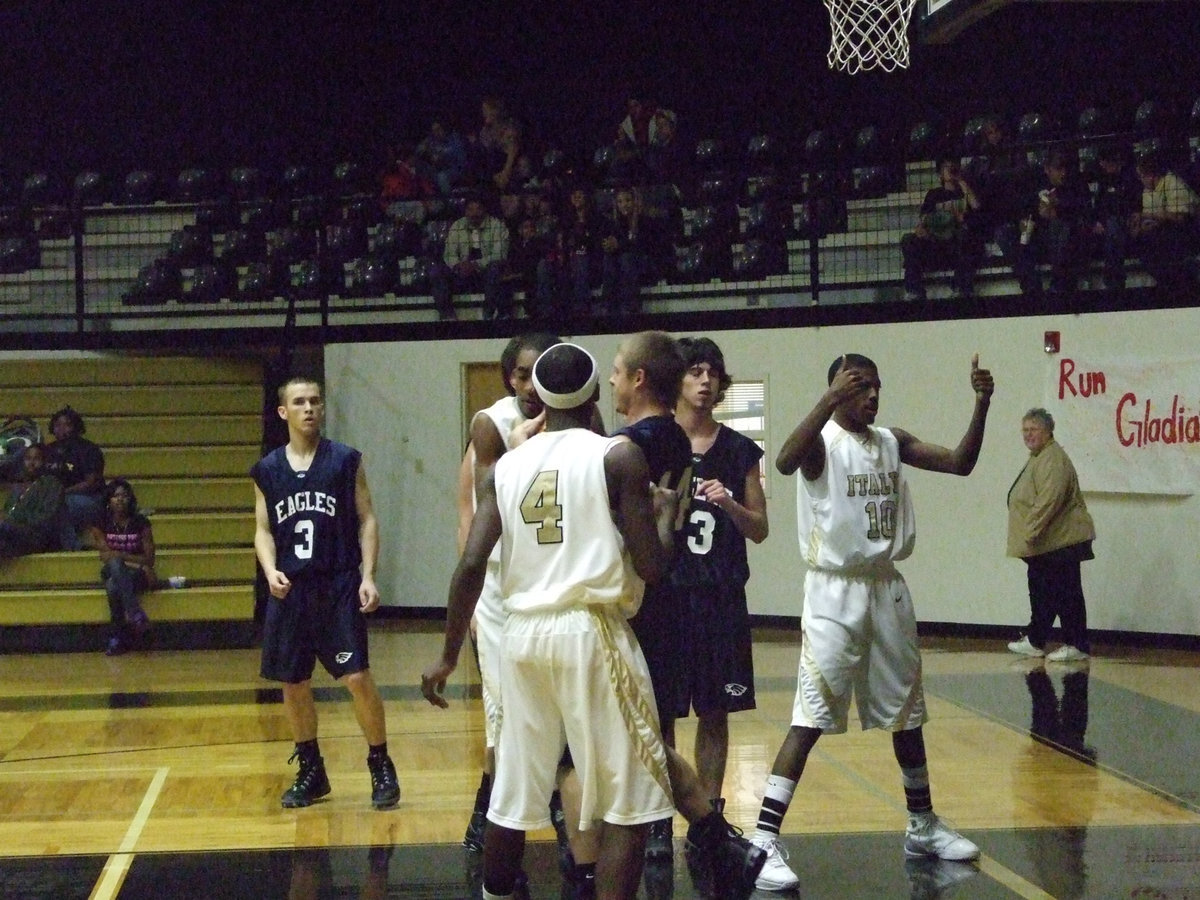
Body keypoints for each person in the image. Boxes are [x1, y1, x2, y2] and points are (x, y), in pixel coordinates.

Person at [423, 343, 763, 900]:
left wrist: (447, 654)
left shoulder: (505, 466)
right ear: (593, 393)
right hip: (591, 630)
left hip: (520, 635)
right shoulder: (616, 457)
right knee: (629, 803)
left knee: (510, 796)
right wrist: (665, 518)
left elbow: (470, 566)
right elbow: (651, 567)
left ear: (539, 394)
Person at [748, 352, 994, 892]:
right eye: (859, 387)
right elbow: (784, 461)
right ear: (837, 390)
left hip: (886, 586)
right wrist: (828, 399)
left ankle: (922, 824)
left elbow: (960, 462)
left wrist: (981, 403)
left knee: (908, 713)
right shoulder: (821, 444)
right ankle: (762, 839)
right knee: (811, 715)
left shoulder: (891, 440)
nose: (872, 396)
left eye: (875, 386)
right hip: (834, 591)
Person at [251, 376, 400, 811]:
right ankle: (312, 770)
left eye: (315, 401)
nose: (309, 408)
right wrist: (269, 570)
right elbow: (262, 529)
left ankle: (380, 763)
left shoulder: (345, 461)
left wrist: (368, 576)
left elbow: (367, 519)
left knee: (356, 677)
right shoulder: (267, 470)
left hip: (336, 584)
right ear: (284, 412)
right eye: (299, 402)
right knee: (294, 682)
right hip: (291, 591)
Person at [455, 332, 565, 855]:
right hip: (502, 585)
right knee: (503, 711)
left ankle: (565, 815)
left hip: (556, 580)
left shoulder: (578, 417)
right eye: (522, 375)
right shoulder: (491, 423)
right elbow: (482, 505)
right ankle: (489, 808)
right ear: (509, 378)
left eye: (540, 374)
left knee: (557, 708)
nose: (531, 385)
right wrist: (473, 602)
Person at [673, 337, 769, 804]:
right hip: (668, 597)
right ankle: (659, 817)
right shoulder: (652, 444)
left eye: (712, 372)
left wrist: (730, 503)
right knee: (661, 712)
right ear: (677, 380)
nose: (705, 381)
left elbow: (760, 529)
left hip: (721, 596)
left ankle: (710, 813)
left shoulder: (739, 450)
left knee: (715, 710)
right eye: (695, 371)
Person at [1006, 408, 1096, 663]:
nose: (1028, 435)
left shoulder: (1052, 460)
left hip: (1060, 542)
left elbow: (1049, 501)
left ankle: (1075, 643)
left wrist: (1030, 533)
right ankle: (1036, 640)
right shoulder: (1041, 457)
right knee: (1042, 591)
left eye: (1033, 429)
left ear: (1048, 431)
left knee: (1065, 593)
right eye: (1025, 430)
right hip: (1048, 542)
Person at [83, 478, 155, 656]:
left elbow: (149, 560)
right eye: (115, 496)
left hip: (135, 574)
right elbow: (106, 556)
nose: (120, 499)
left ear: (130, 499)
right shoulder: (100, 523)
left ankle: (117, 638)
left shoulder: (141, 523)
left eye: (124, 495)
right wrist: (130, 562)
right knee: (114, 565)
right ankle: (135, 613)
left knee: (112, 586)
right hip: (122, 569)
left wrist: (120, 557)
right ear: (108, 500)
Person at [899, 157, 982, 301]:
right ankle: (914, 291)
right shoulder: (934, 195)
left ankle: (961, 289)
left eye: (953, 166)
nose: (950, 169)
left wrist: (961, 181)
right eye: (946, 167)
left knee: (969, 239)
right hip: (936, 244)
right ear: (940, 174)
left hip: (957, 245)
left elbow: (976, 207)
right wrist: (922, 231)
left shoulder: (965, 191)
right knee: (908, 240)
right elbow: (923, 220)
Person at [1012, 150, 1091, 299]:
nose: (1063, 173)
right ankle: (1031, 288)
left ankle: (1059, 285)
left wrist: (1058, 206)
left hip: (1069, 238)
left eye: (1064, 169)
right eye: (1058, 169)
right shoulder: (1036, 183)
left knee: (1059, 227)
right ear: (1047, 169)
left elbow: (1083, 209)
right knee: (1015, 235)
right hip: (1041, 235)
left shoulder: (1075, 183)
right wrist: (1028, 219)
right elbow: (1026, 209)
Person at [1129, 151, 1200, 291]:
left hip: (1189, 229)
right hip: (1164, 231)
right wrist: (1141, 227)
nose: (1141, 180)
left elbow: (1180, 217)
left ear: (1151, 175)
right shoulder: (1148, 190)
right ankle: (1170, 284)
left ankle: (1181, 284)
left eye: (1142, 176)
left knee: (1163, 243)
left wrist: (1147, 216)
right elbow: (1152, 218)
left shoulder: (1173, 183)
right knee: (1145, 243)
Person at [431, 196, 510, 320]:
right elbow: (449, 253)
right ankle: (448, 316)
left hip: (485, 274)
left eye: (478, 209)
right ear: (465, 211)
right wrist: (458, 265)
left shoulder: (497, 226)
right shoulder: (457, 225)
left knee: (495, 269)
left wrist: (475, 265)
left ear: (484, 210)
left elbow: (499, 254)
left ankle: (488, 313)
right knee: (437, 271)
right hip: (461, 273)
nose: (474, 213)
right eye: (470, 209)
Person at [44, 405, 106, 548]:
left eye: (67, 425)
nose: (61, 429)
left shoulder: (88, 449)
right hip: (57, 499)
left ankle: (72, 546)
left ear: (76, 427)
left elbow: (90, 482)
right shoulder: (48, 450)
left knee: (59, 505)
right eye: (58, 425)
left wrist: (62, 493)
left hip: (89, 499)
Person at [0, 443, 64, 559]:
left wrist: (12, 520)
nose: (31, 463)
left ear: (44, 462)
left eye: (36, 459)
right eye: (28, 458)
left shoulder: (52, 484)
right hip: (12, 536)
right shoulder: (19, 486)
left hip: (37, 536)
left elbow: (47, 519)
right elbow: (8, 512)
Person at [600, 187, 655, 316]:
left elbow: (643, 245)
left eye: (627, 200)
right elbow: (612, 242)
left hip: (644, 262)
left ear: (634, 201)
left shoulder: (644, 220)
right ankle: (608, 306)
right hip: (621, 263)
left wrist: (619, 245)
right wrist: (608, 245)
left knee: (626, 259)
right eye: (620, 201)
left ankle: (631, 306)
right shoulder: (615, 223)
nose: (624, 205)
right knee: (609, 259)